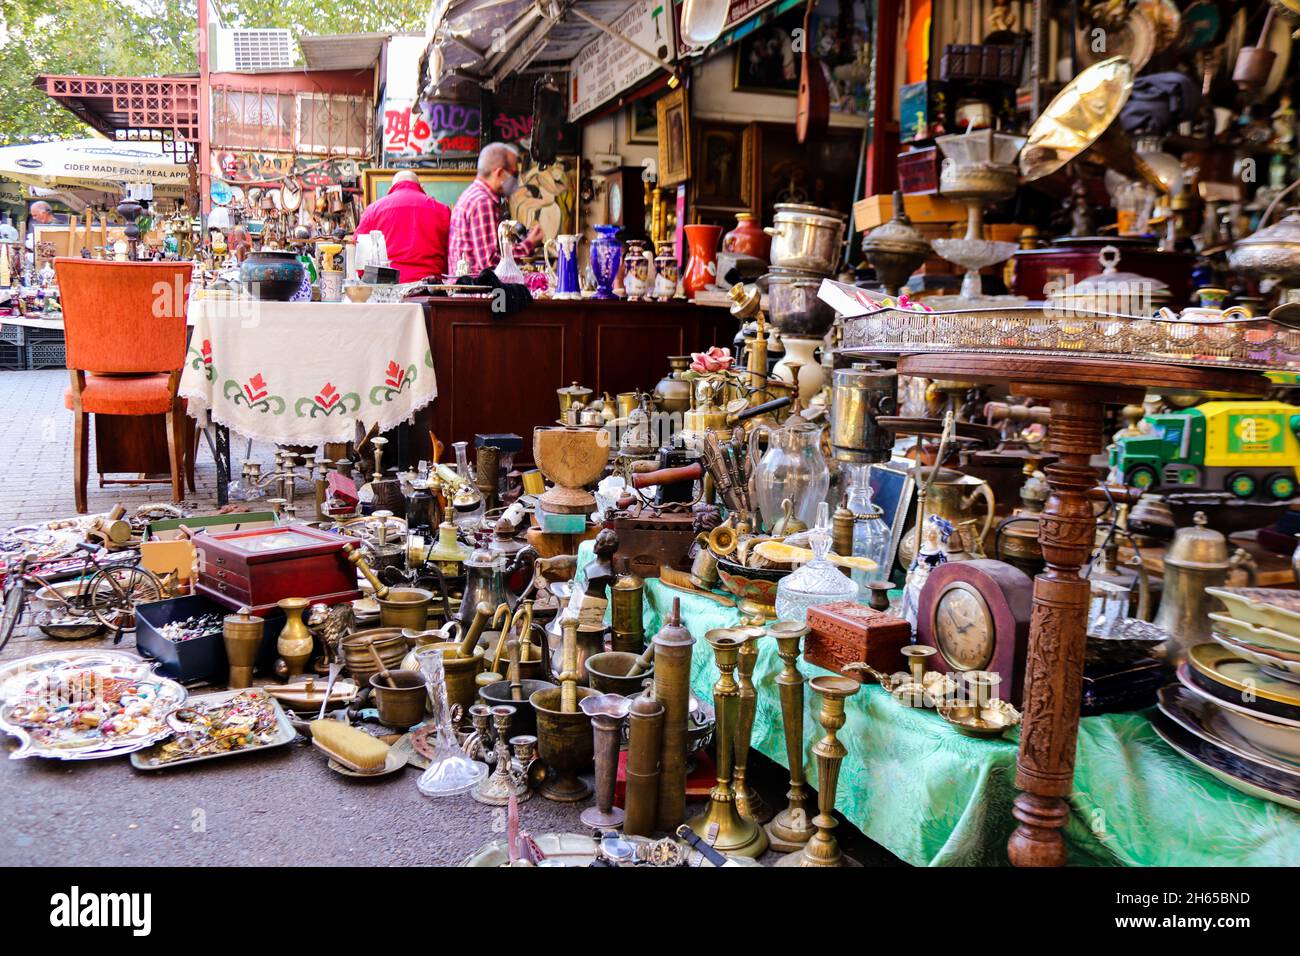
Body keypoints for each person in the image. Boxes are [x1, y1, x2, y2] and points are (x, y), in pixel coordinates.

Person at [448, 142, 545, 275]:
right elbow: (490, 262)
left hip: (464, 292)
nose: (517, 181)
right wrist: (529, 244)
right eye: (515, 174)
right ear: (499, 173)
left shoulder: (471, 195)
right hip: (476, 293)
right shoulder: (483, 202)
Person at [354, 170, 450, 282]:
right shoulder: (442, 210)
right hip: (430, 288)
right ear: (421, 186)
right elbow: (452, 254)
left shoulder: (373, 210)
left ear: (390, 188)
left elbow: (360, 256)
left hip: (387, 289)